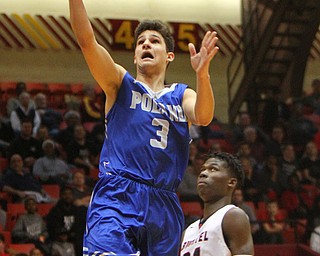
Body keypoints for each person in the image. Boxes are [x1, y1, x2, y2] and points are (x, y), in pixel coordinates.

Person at [69, 0, 219, 254]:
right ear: (135, 55)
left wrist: (202, 74)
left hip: (164, 203)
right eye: (141, 43)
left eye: (154, 41)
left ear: (169, 56)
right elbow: (87, 42)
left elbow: (204, 116)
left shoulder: (182, 95)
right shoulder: (119, 83)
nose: (146, 44)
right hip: (117, 194)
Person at [180, 152, 253, 256]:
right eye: (202, 169)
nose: (203, 173)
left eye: (213, 169)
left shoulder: (232, 216)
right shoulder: (188, 231)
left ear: (231, 182)